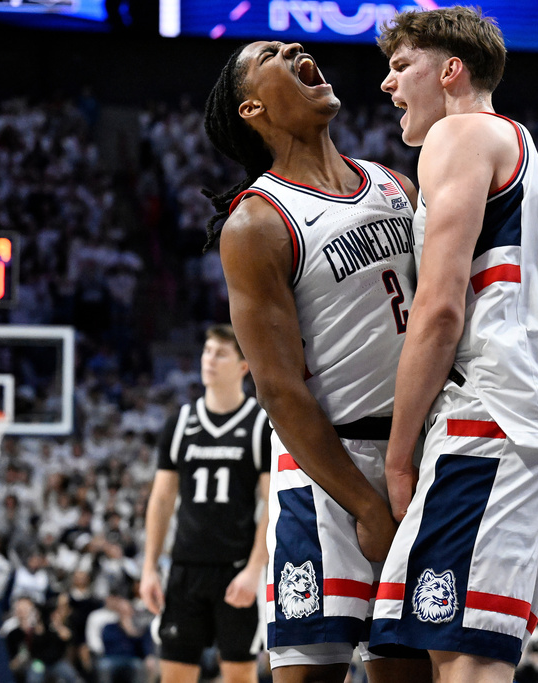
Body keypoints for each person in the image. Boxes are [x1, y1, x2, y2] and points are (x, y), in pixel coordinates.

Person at [369, 7, 538, 681]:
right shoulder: (533, 172)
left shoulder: (461, 134)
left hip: (497, 420)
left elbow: (439, 311)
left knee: (467, 662)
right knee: (427, 645)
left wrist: (398, 452)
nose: (387, 85)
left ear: (452, 71)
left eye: (401, 65)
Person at [201, 40, 429, 683]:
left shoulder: (394, 183)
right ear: (251, 107)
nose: (293, 47)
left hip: (413, 459)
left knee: (408, 672)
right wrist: (366, 506)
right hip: (328, 478)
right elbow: (278, 391)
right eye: (270, 53)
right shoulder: (257, 223)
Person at [139, 325, 272, 683]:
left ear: (244, 366)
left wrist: (255, 570)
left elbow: (271, 505)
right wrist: (150, 566)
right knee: (175, 675)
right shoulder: (180, 423)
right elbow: (162, 499)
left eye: (220, 353)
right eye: (207, 352)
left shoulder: (260, 425)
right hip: (184, 569)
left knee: (240, 675)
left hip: (236, 570)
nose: (209, 360)